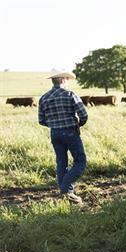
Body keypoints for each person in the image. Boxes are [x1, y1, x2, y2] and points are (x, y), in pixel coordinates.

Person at [38, 70, 88, 204]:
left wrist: (55, 124)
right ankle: (66, 189)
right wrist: (79, 124)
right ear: (63, 79)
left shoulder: (44, 98)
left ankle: (64, 194)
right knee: (80, 161)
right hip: (71, 132)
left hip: (55, 133)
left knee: (61, 163)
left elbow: (41, 120)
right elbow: (83, 114)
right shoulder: (70, 94)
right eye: (67, 79)